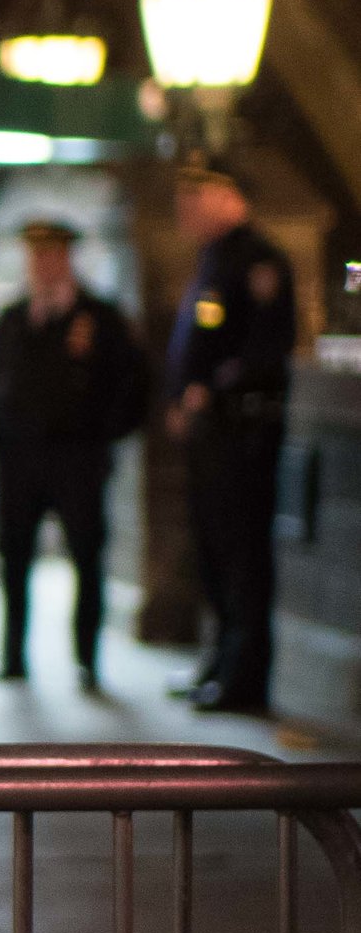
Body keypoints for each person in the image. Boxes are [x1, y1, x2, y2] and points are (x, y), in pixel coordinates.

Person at [0, 215, 148, 693]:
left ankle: (87, 660)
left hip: (79, 461)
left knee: (88, 558)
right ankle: (13, 656)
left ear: (67, 259)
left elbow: (132, 385)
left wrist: (102, 436)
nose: (44, 265)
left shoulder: (102, 319)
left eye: (52, 256)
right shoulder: (11, 318)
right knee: (14, 559)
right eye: (36, 256)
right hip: (20, 462)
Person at [166, 156, 296, 715]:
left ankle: (245, 678)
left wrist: (211, 392)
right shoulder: (213, 260)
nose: (186, 212)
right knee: (214, 548)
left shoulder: (259, 262)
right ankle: (219, 662)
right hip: (210, 431)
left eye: (197, 199)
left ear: (229, 198)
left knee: (243, 551)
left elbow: (266, 350)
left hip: (243, 429)